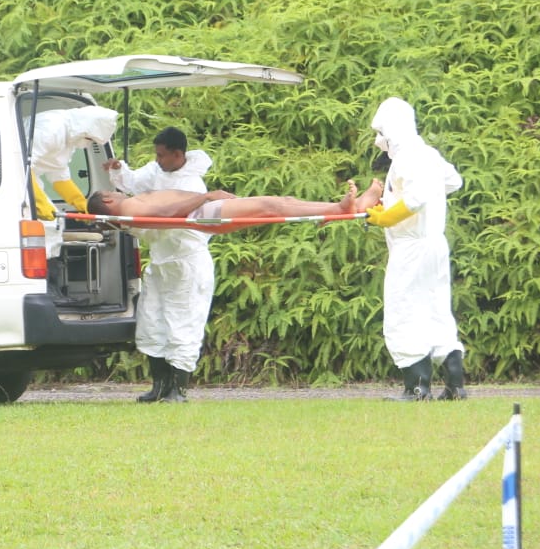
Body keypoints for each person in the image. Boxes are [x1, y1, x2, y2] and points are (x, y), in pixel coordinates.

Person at [102, 127, 215, 403]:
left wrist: (133, 224)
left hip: (186, 264)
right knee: (151, 321)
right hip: (160, 261)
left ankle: (178, 390)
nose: (158, 160)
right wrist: (119, 170)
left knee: (182, 324)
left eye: (162, 155)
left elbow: (166, 219)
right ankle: (159, 387)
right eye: (157, 155)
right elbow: (133, 183)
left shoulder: (193, 186)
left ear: (178, 154)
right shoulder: (156, 171)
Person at [364, 97, 467, 400]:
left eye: (381, 132)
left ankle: (417, 388)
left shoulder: (407, 157)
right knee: (437, 311)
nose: (379, 140)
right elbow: (453, 182)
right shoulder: (428, 154)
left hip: (411, 248)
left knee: (404, 312)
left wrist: (386, 217)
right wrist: (394, 203)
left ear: (393, 129)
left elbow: (416, 198)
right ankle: (455, 385)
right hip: (435, 245)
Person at [87, 180, 381, 235]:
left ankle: (342, 208)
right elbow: (165, 213)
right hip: (203, 214)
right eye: (112, 191)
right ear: (108, 200)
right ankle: (339, 209)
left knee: (280, 203)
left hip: (205, 214)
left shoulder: (129, 208)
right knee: (271, 205)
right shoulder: (128, 208)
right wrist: (206, 196)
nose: (117, 191)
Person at [29, 105, 119, 219]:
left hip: (25, 180)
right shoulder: (51, 129)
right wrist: (38, 201)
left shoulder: (68, 139)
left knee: (52, 222)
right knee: (46, 222)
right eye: (90, 140)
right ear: (84, 130)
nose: (88, 144)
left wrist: (80, 203)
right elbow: (21, 166)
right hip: (13, 179)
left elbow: (58, 173)